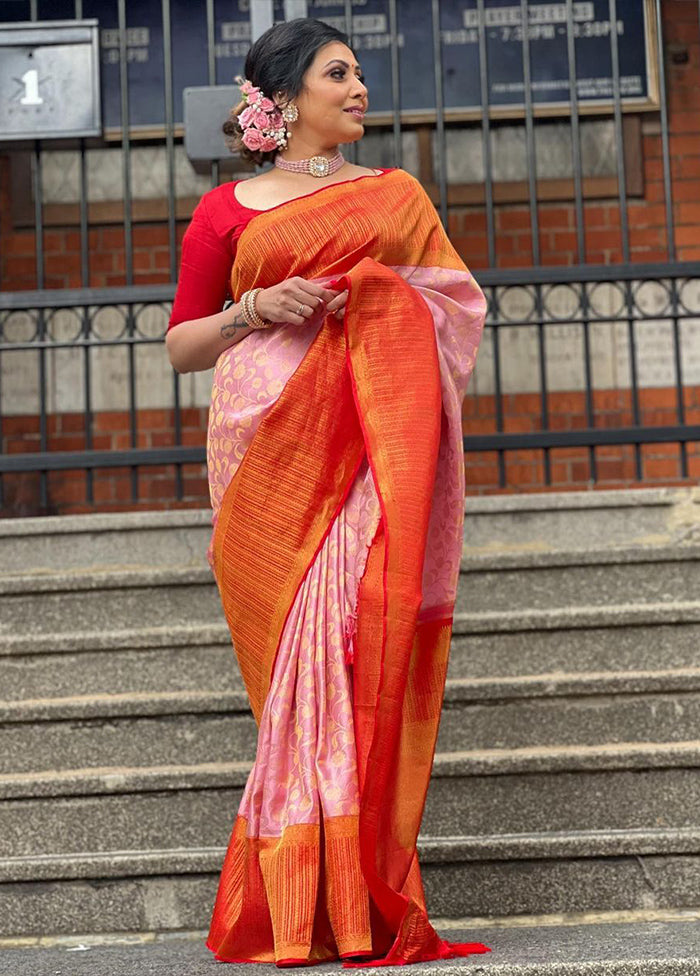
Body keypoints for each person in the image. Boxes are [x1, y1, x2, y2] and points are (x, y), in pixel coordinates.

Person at [166, 16, 490, 969]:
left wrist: (382, 297)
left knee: (357, 641)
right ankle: (304, 900)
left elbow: (457, 303)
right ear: (285, 97)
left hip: (367, 444)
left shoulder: (393, 195)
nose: (358, 89)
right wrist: (255, 307)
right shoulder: (226, 210)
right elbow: (182, 344)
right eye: (338, 74)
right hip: (263, 449)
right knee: (297, 668)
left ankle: (359, 894)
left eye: (358, 73)